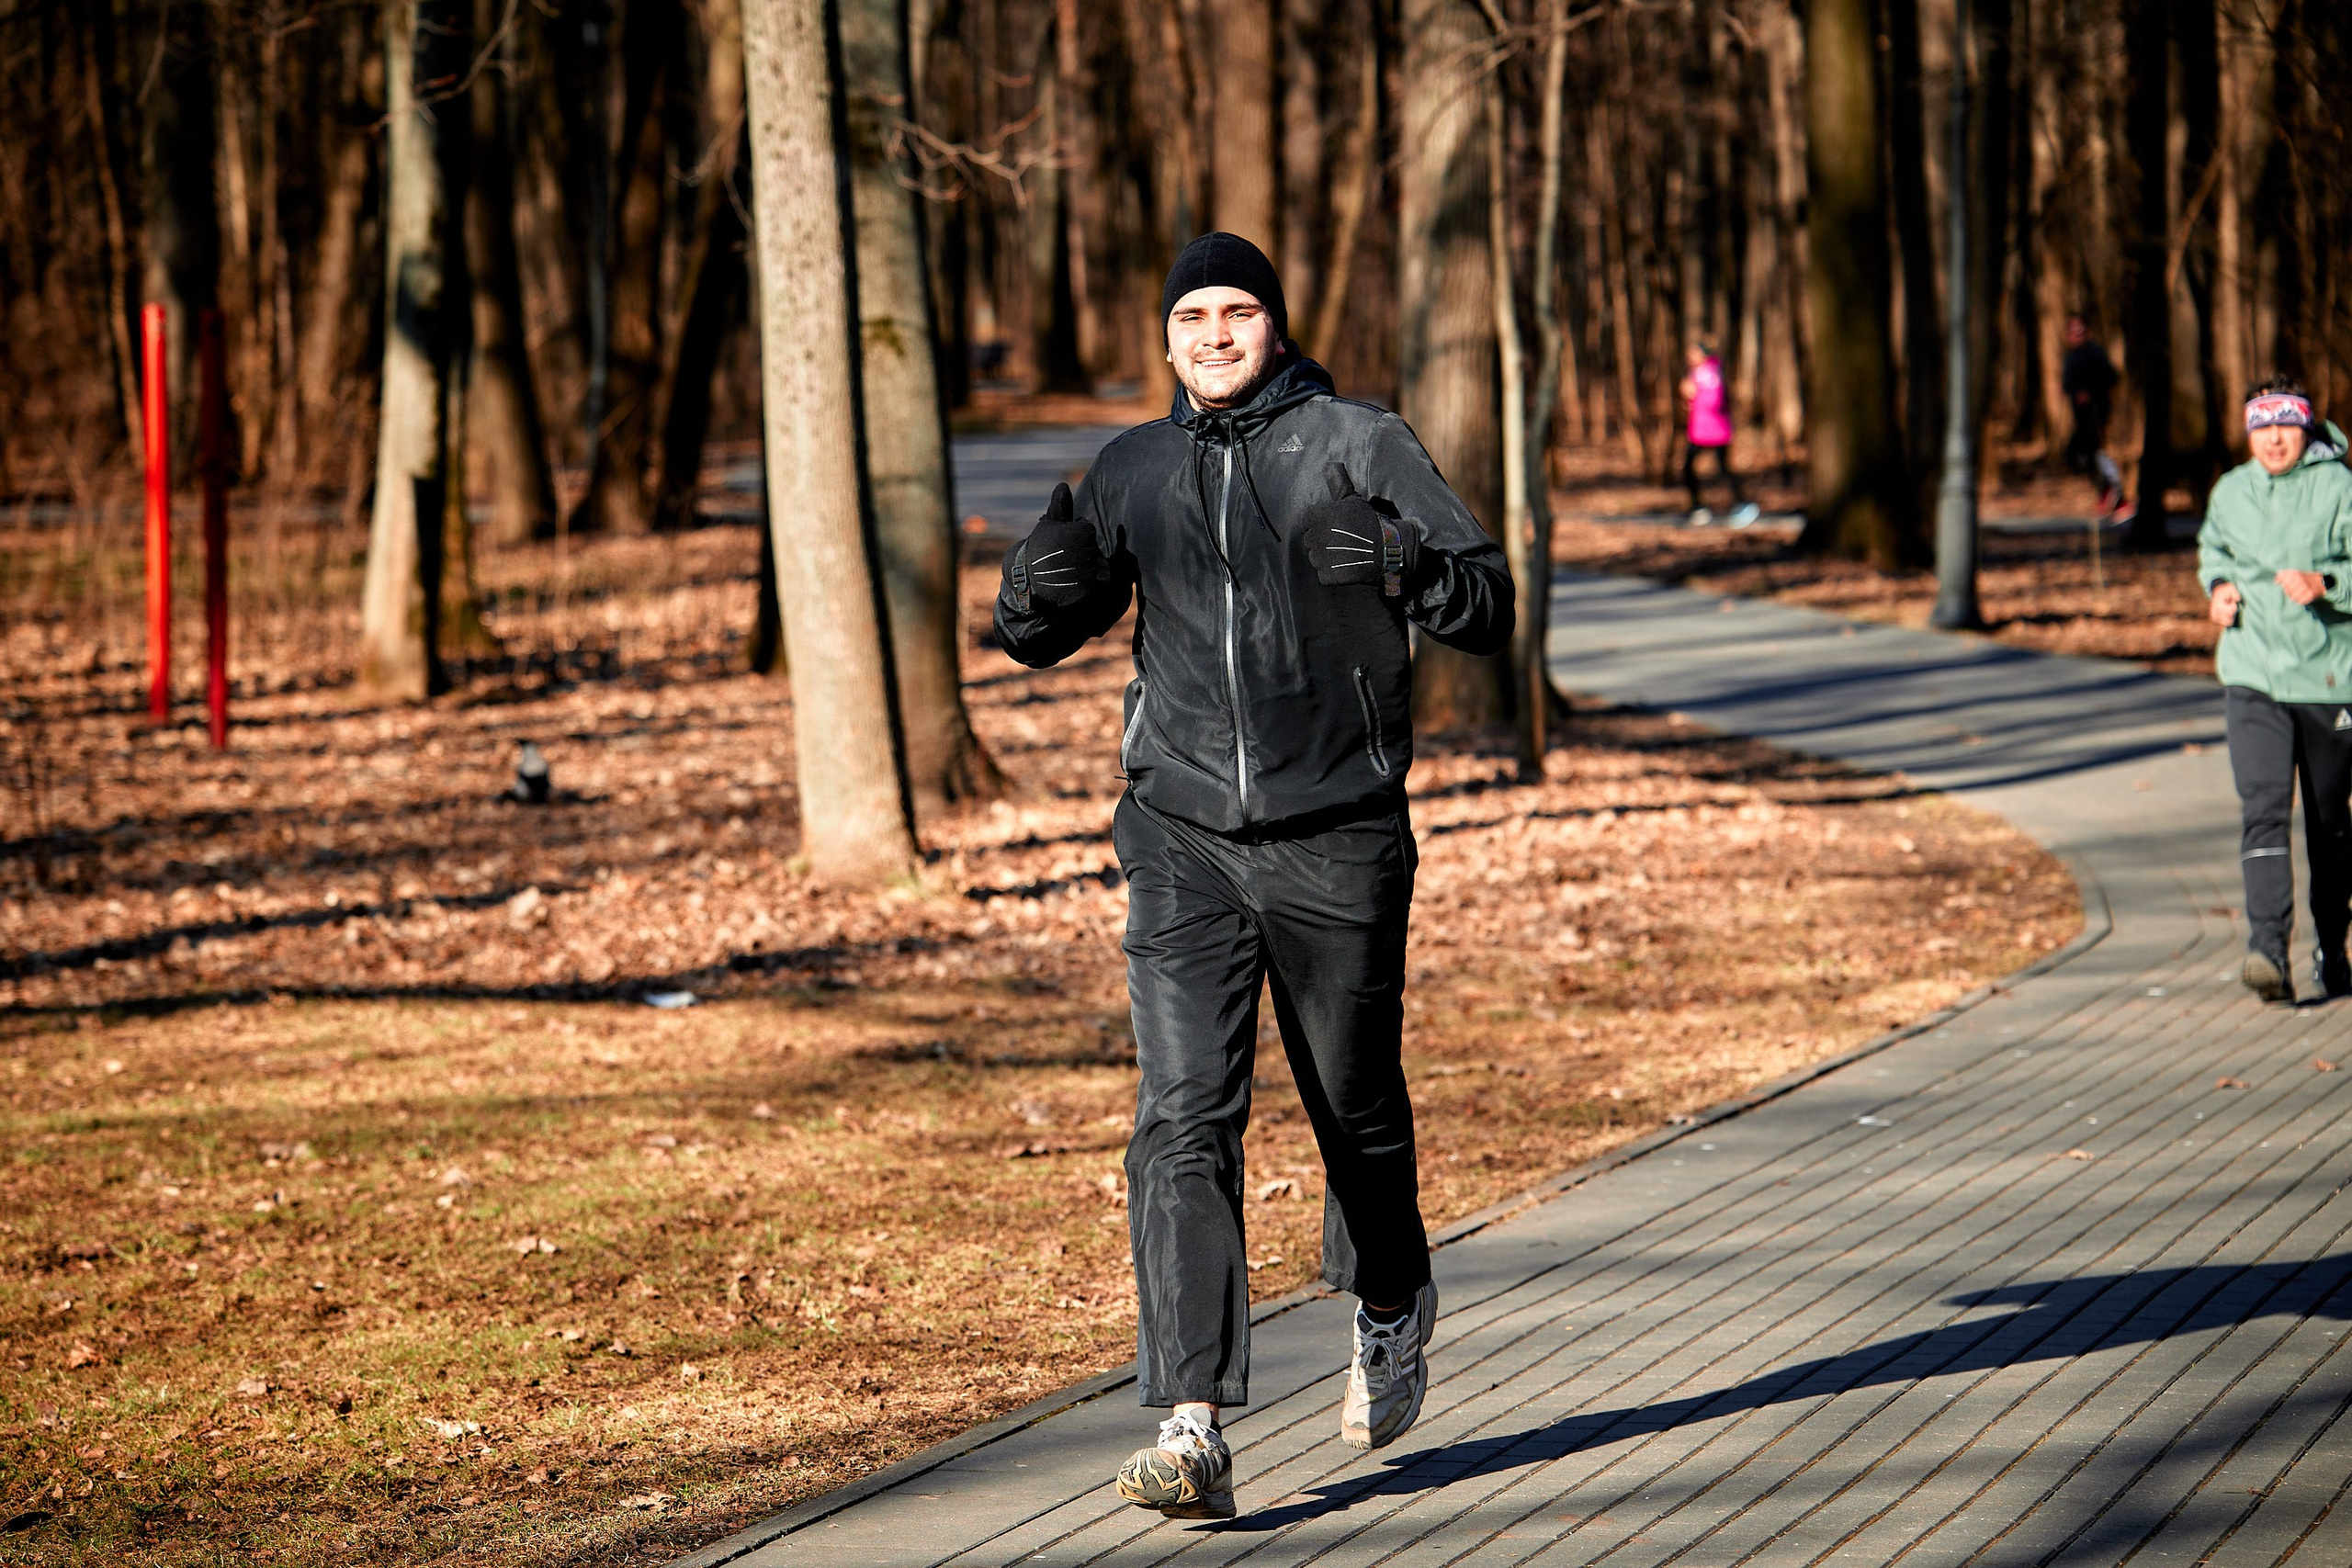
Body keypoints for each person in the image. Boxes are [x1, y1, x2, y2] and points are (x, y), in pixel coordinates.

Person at [993, 232, 1513, 1520]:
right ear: (1164, 334)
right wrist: (1031, 594)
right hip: (1182, 842)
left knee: (1355, 1102)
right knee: (1182, 1114)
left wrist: (1402, 565)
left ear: (1275, 322)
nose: (1215, 332)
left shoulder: (1357, 440)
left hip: (1337, 829)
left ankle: (1391, 1295)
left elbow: (1488, 600)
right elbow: (1040, 628)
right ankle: (1190, 1423)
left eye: (1238, 310)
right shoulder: (1135, 466)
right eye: (1192, 314)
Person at [2198, 378, 2352, 1004]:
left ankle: (2333, 946)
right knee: (2262, 808)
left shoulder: (2339, 487)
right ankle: (2267, 951)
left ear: (2306, 428)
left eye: (2285, 426)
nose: (2274, 439)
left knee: (2328, 824)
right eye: (2262, 428)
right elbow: (2213, 548)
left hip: (2328, 675)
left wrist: (2328, 581)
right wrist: (2217, 587)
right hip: (2252, 671)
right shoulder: (2232, 490)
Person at [1677, 340, 1757, 526]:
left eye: (1693, 353)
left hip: (1714, 430)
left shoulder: (1709, 374)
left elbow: (1714, 401)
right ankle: (1701, 507)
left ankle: (1741, 504)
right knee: (1701, 467)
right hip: (1701, 429)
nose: (1689, 357)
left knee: (1718, 468)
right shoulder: (1701, 373)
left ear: (1703, 355)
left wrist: (1692, 394)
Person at [2060, 315, 2124, 516]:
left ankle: (2115, 490)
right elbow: (2069, 383)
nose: (2075, 335)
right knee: (2080, 455)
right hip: (2080, 415)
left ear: (2088, 332)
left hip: (2095, 412)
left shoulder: (2094, 353)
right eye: (2072, 331)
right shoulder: (2071, 356)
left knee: (2092, 452)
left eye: (2079, 330)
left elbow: (2111, 377)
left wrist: (2091, 393)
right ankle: (2109, 489)